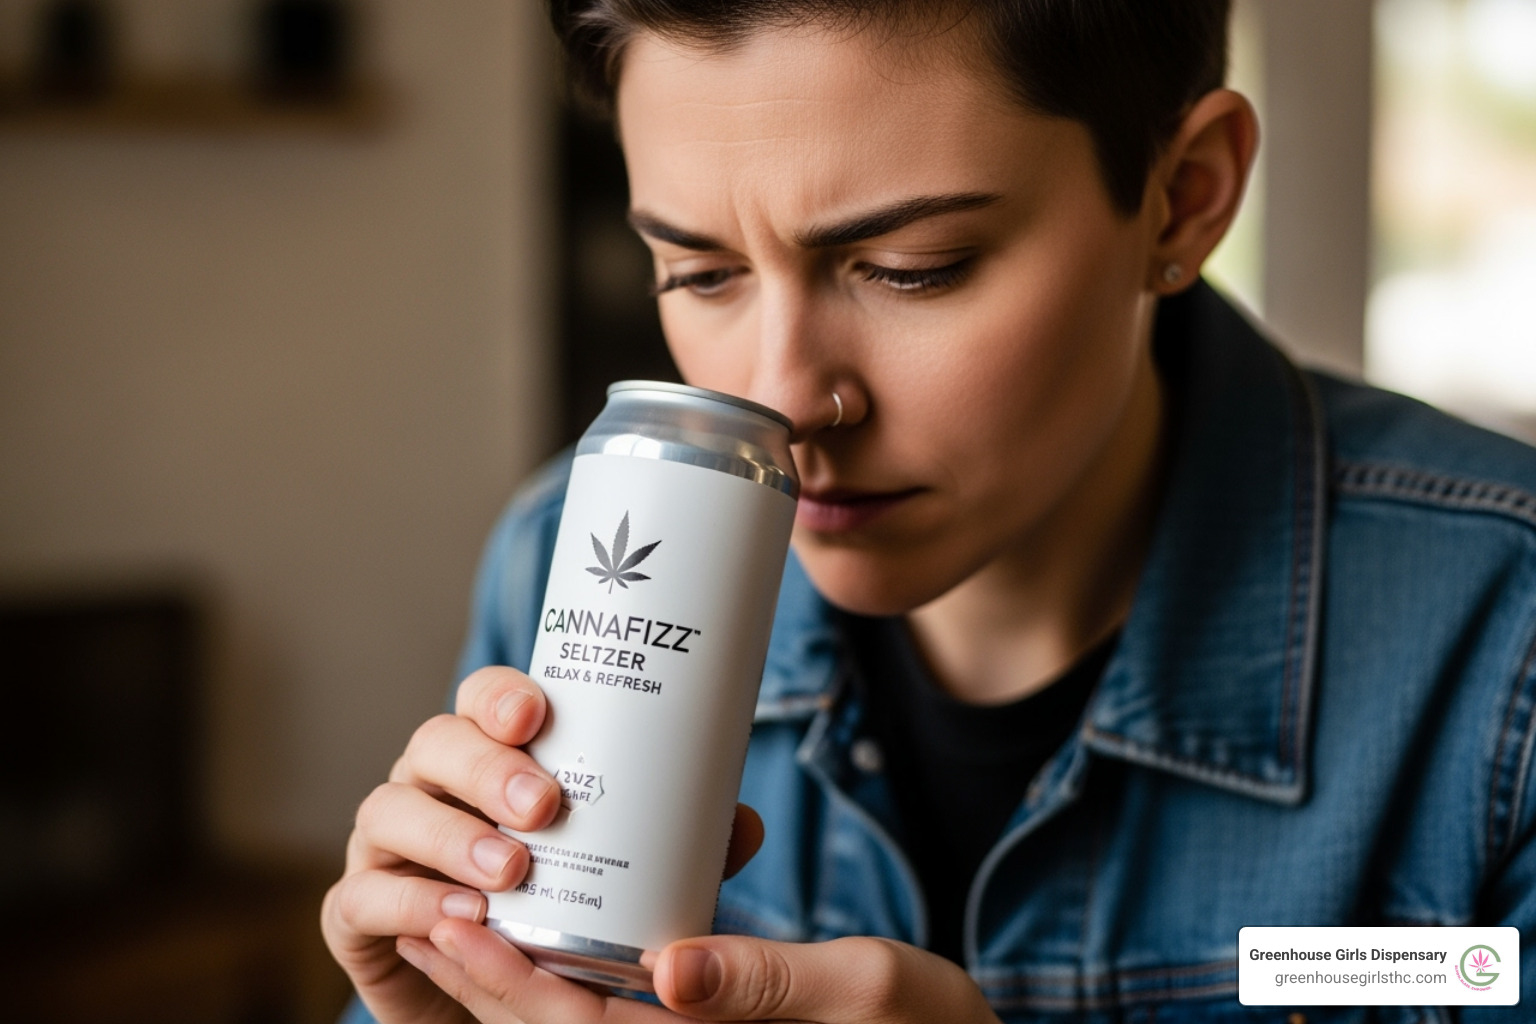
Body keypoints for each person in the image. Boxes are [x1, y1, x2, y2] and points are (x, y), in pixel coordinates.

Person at [322, 1, 1536, 1020]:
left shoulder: (1503, 638)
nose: (785, 398)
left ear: (1185, 199)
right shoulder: (564, 557)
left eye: (914, 268)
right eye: (699, 272)